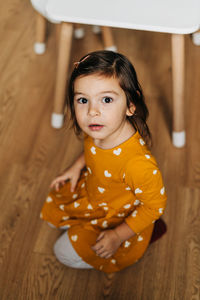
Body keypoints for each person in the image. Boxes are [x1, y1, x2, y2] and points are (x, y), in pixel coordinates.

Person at [40, 50, 167, 273]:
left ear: (130, 104)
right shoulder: (101, 127)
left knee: (62, 253)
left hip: (117, 218)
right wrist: (77, 166)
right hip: (94, 194)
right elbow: (92, 149)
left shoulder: (138, 164)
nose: (92, 111)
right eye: (82, 100)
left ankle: (148, 233)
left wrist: (117, 235)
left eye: (106, 99)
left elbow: (155, 206)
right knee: (52, 217)